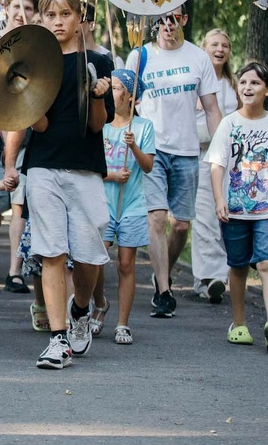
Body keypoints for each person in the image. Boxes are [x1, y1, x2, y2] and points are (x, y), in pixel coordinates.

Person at [3, 0, 114, 369]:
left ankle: (81, 308)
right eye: (50, 15)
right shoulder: (37, 64)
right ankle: (58, 339)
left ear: (79, 17)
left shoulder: (99, 61)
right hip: (44, 166)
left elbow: (98, 126)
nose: (57, 21)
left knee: (88, 254)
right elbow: (41, 124)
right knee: (51, 251)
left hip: (85, 167)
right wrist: (26, 97)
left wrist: (99, 94)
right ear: (41, 20)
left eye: (65, 14)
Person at [125, 6, 221, 318]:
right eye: (162, 18)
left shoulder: (197, 57)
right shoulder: (139, 56)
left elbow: (211, 108)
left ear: (184, 20)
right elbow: (126, 103)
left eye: (174, 18)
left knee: (180, 225)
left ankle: (160, 270)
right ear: (154, 22)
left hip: (187, 149)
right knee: (156, 218)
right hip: (151, 149)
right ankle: (163, 290)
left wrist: (221, 148)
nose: (168, 24)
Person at [206, 61, 268, 352]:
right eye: (243, 82)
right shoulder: (229, 124)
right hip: (234, 208)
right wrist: (220, 199)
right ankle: (239, 323)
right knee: (238, 265)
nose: (248, 87)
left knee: (267, 262)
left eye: (255, 83)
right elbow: (217, 165)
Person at [92, 69, 154, 345]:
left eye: (117, 88)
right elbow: (90, 167)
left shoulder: (143, 127)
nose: (111, 92)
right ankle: (100, 302)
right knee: (96, 259)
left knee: (126, 264)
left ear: (129, 95)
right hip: (103, 201)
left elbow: (148, 166)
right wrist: (111, 175)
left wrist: (135, 147)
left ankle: (122, 324)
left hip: (132, 204)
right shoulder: (100, 125)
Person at [0, 0, 38, 293]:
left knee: (20, 203)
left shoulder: (37, 47)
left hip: (26, 135)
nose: (22, 13)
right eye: (16, 7)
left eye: (29, 9)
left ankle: (15, 270)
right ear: (6, 9)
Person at [191, 29, 238, 303]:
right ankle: (210, 277)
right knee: (205, 216)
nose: (220, 49)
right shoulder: (195, 80)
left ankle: (215, 276)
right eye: (214, 45)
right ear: (204, 47)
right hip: (201, 156)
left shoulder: (233, 84)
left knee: (226, 214)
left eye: (225, 45)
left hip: (229, 159)